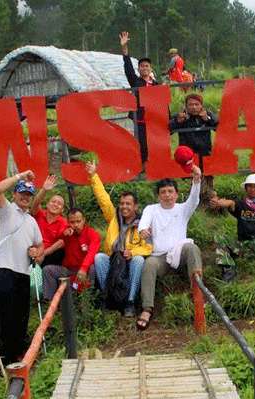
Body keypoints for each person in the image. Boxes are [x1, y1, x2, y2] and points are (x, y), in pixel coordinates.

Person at [137, 165, 204, 330]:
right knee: (149, 264)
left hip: (179, 253)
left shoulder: (182, 209)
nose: (167, 195)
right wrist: (143, 231)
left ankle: (198, 294)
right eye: (163, 192)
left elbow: (194, 200)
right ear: (158, 195)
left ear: (176, 193)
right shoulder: (151, 209)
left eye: (170, 191)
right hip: (160, 256)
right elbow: (143, 225)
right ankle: (147, 308)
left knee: (192, 248)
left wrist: (196, 181)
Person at [0, 171, 44, 365]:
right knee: (3, 316)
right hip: (4, 270)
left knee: (20, 317)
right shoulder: (7, 210)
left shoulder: (32, 221)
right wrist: (19, 176)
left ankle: (18, 355)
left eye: (29, 195)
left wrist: (37, 252)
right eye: (22, 193)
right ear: (15, 194)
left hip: (23, 273)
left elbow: (40, 245)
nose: (25, 197)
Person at [86, 161, 153, 317]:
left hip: (130, 261)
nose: (124, 207)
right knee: (99, 258)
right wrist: (93, 176)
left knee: (139, 261)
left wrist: (133, 252)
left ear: (135, 206)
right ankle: (108, 296)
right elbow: (103, 199)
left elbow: (149, 246)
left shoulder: (142, 223)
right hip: (114, 259)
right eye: (122, 204)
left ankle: (130, 302)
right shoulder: (114, 217)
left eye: (128, 204)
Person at [42, 208, 101, 301]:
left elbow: (92, 253)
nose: (76, 225)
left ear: (84, 220)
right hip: (68, 270)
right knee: (47, 270)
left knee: (93, 268)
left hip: (84, 270)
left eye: (78, 221)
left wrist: (84, 268)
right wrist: (63, 234)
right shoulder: (68, 233)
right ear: (68, 222)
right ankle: (49, 301)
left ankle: (88, 300)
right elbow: (56, 237)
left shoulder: (92, 234)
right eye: (72, 222)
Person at [120, 31, 160, 163]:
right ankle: (141, 166)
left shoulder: (156, 85)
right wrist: (125, 48)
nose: (144, 68)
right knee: (141, 143)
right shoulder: (136, 82)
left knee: (154, 144)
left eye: (147, 66)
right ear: (139, 69)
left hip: (154, 120)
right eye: (142, 66)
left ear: (150, 68)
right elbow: (128, 68)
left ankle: (154, 164)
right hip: (140, 120)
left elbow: (162, 103)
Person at [170, 93, 218, 200]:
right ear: (186, 106)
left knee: (208, 179)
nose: (194, 107)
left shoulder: (206, 114)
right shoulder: (181, 116)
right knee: (190, 179)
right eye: (191, 105)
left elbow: (219, 126)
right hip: (188, 156)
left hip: (205, 153)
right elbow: (167, 129)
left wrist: (208, 119)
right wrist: (177, 121)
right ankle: (190, 200)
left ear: (201, 105)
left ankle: (208, 200)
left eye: (197, 104)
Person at [30, 175, 68, 267]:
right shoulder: (40, 214)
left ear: (62, 209)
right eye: (53, 201)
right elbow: (35, 204)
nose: (55, 204)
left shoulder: (63, 222)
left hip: (49, 253)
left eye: (59, 204)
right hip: (33, 250)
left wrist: (43, 253)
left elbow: (61, 242)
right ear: (47, 204)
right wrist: (44, 189)